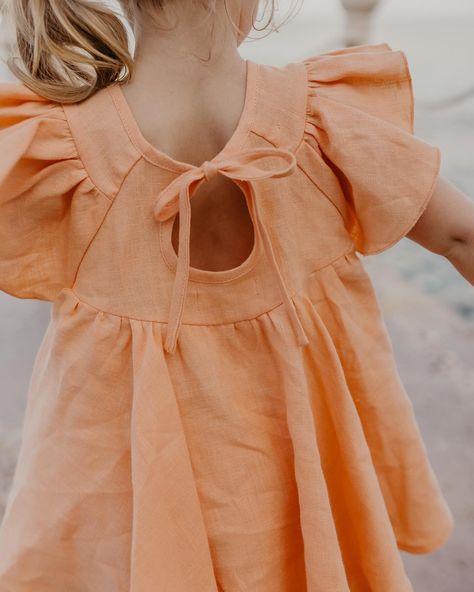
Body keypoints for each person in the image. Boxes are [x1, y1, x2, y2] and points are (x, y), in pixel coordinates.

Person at [0, 0, 472, 590]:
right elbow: (460, 235)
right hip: (296, 481)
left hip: (130, 494)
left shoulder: (56, 147)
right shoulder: (322, 122)